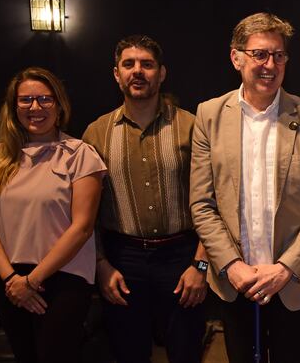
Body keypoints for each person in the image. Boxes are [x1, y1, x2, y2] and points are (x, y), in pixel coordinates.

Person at [190, 12, 300, 363]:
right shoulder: (209, 115)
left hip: (293, 284)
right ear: (236, 57)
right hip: (234, 282)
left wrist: (285, 267)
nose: (269, 64)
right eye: (259, 54)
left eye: (278, 55)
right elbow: (201, 204)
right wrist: (231, 265)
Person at [83, 35, 208, 363]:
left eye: (147, 64)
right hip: (122, 259)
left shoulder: (192, 127)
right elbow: (86, 214)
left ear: (162, 73)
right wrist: (100, 265)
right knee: (128, 353)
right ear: (116, 74)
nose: (137, 71)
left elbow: (214, 201)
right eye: (129, 64)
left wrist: (201, 265)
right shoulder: (95, 133)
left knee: (186, 352)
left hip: (182, 257)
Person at [0, 67, 106, 362]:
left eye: (45, 100)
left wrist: (32, 281)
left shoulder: (80, 154)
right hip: (9, 281)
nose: (35, 107)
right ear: (14, 108)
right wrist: (12, 279)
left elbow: (82, 227)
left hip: (63, 280)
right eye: (26, 100)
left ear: (59, 106)